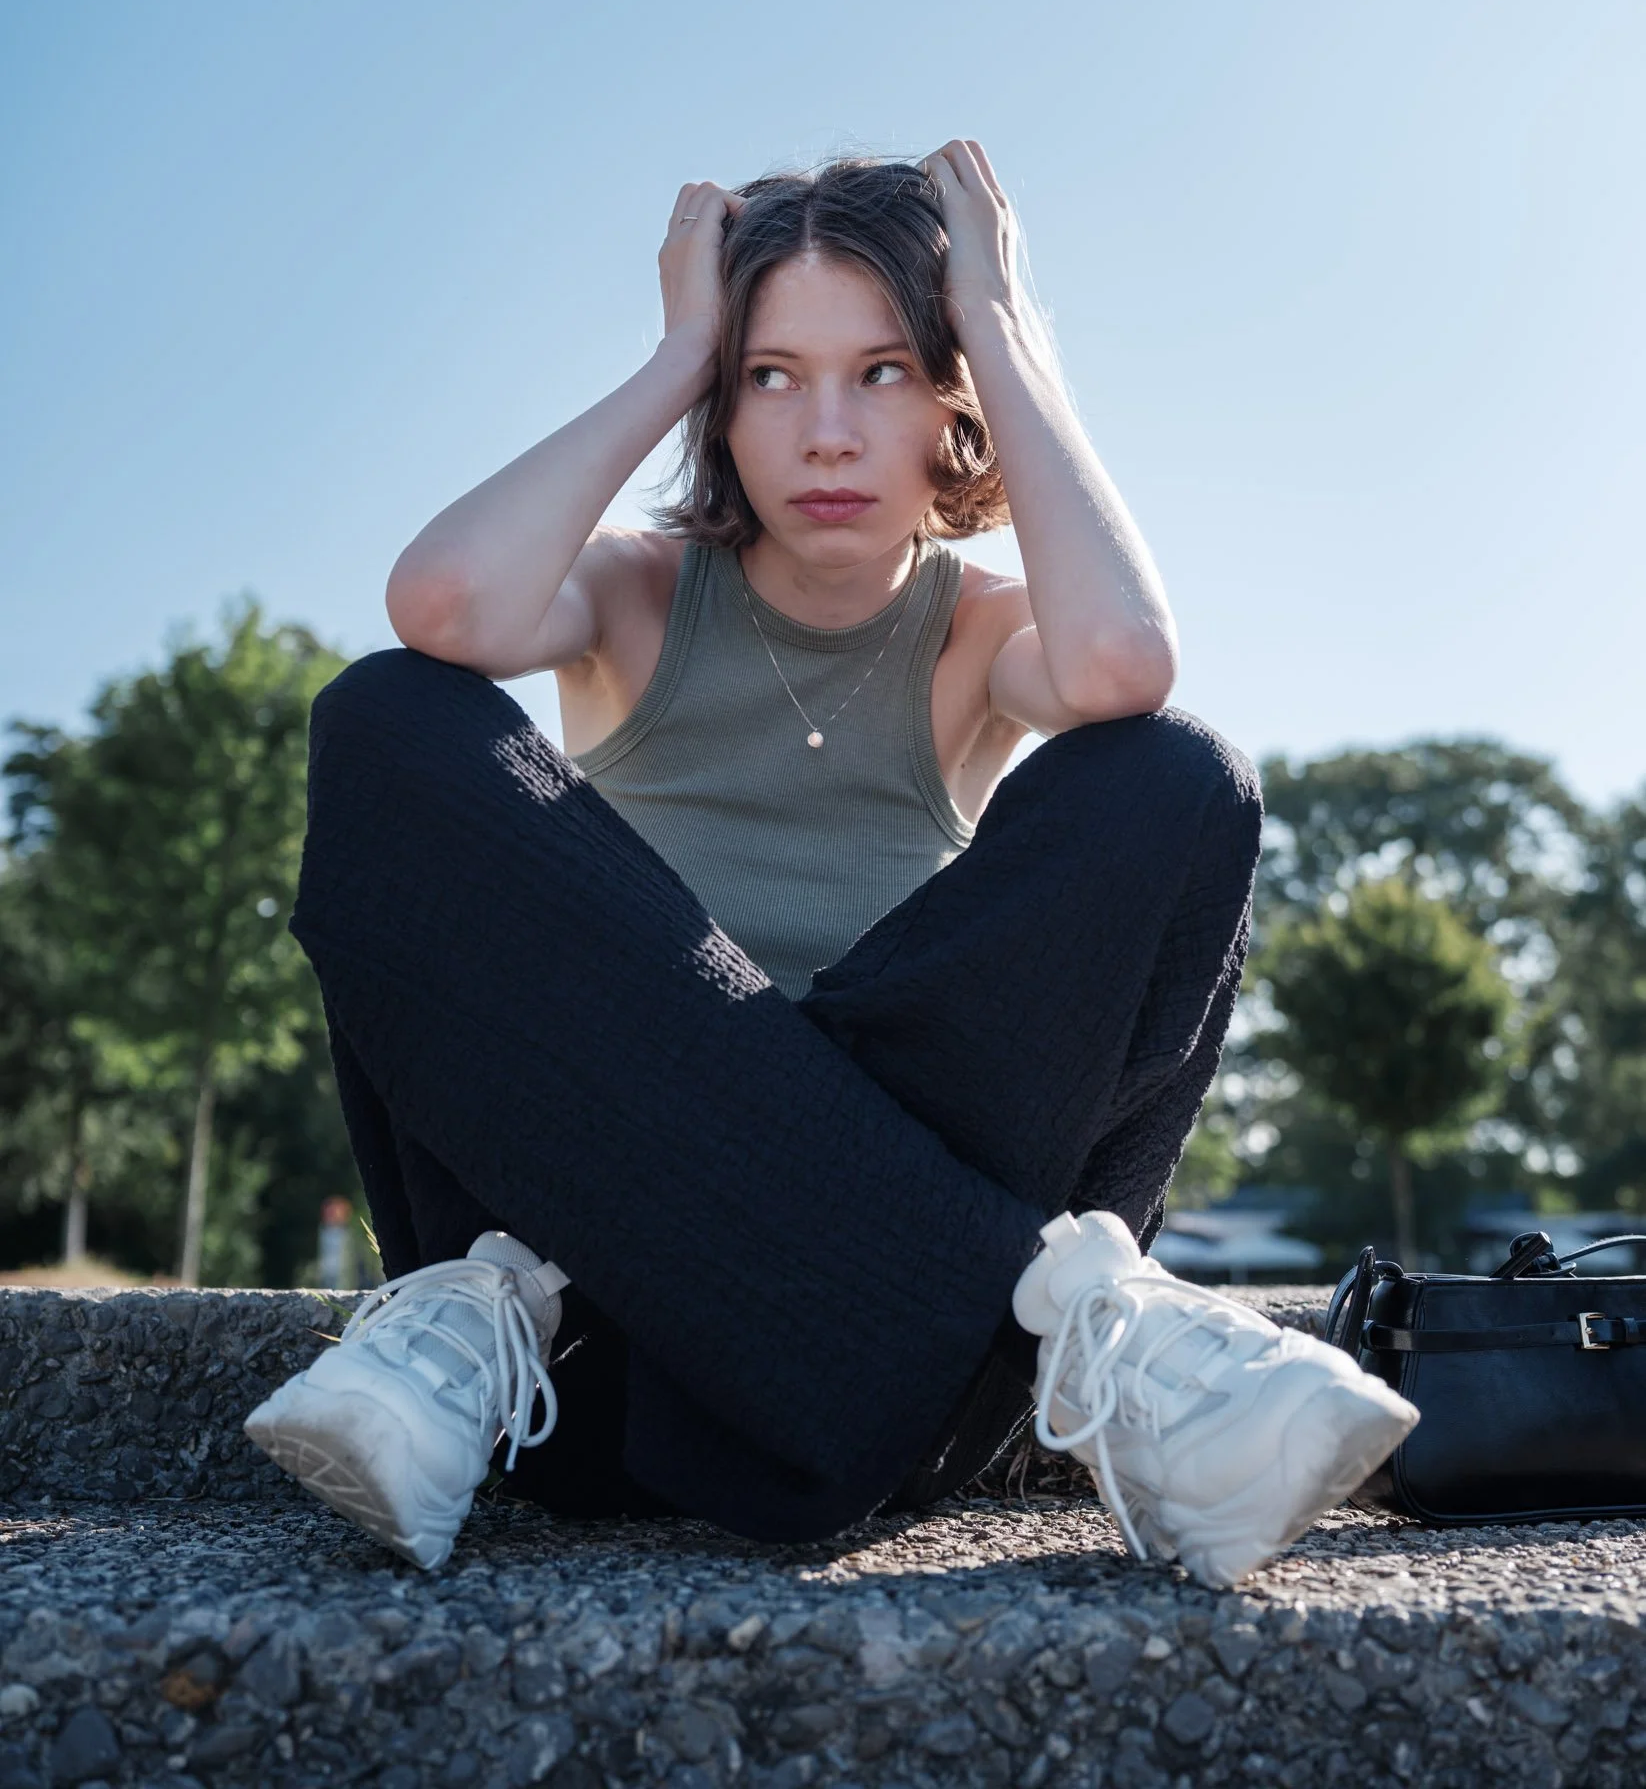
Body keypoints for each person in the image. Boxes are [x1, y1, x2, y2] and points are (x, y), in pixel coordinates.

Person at [244, 140, 1416, 1587]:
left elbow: (1121, 658)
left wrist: (1003, 322)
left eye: (883, 370)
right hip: (559, 1363)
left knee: (1178, 775)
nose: (827, 433)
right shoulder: (631, 589)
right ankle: (1069, 1297)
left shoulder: (983, 632)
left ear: (950, 400)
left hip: (897, 1385)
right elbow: (441, 601)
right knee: (386, 713)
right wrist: (676, 346)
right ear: (717, 410)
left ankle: (1068, 1316)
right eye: (768, 375)